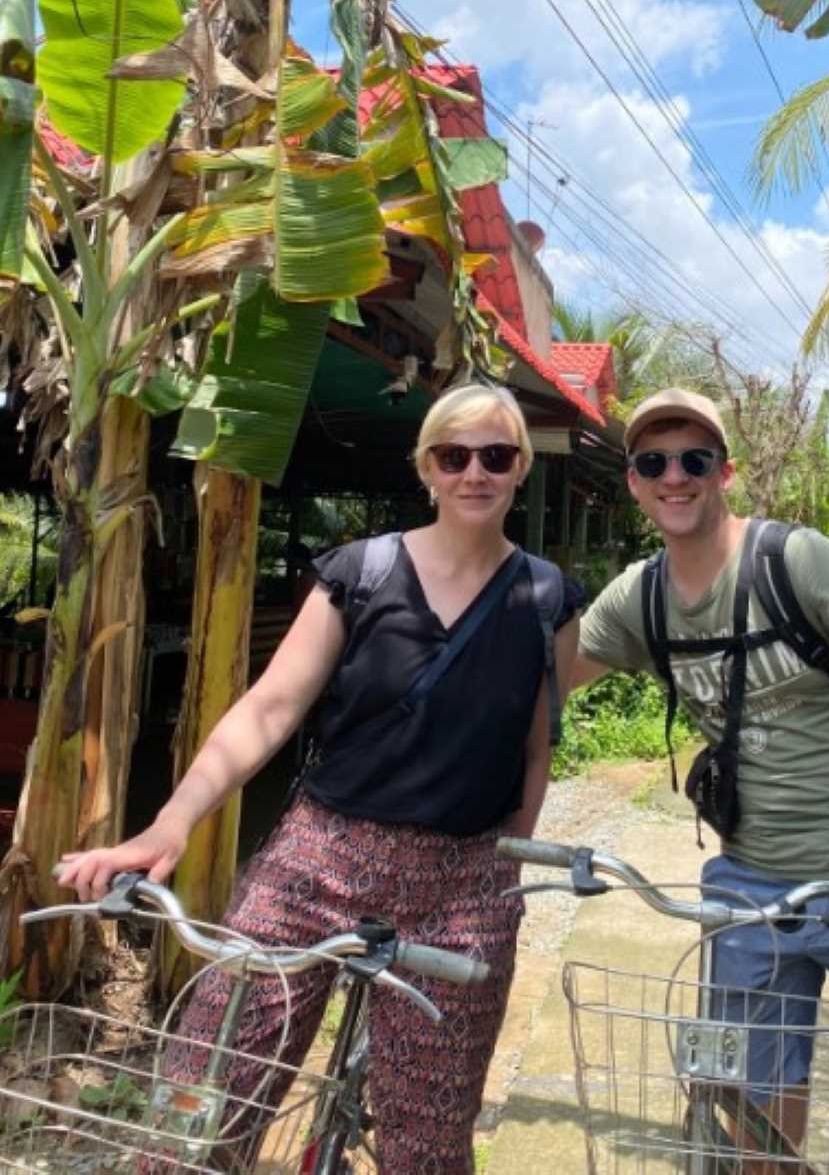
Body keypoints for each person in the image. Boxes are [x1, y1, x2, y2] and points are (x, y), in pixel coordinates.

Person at [57, 382, 582, 1173]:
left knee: (429, 1139)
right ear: (427, 469)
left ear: (518, 472)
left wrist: (507, 865)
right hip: (321, 854)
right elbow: (268, 709)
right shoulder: (362, 571)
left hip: (463, 878)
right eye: (454, 455)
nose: (475, 472)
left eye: (496, 456)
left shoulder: (547, 597)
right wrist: (174, 820)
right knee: (208, 1089)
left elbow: (534, 746)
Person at [572, 388, 829, 1175]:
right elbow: (534, 686)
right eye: (653, 462)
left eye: (694, 459)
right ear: (632, 480)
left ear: (726, 471)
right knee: (748, 1143)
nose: (674, 476)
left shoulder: (796, 561)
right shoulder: (641, 597)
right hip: (750, 884)